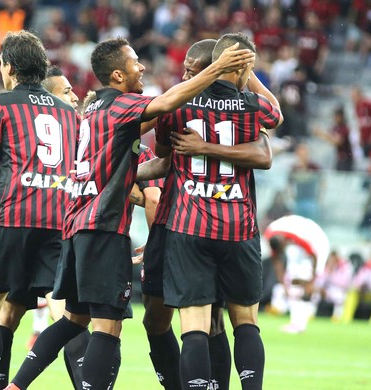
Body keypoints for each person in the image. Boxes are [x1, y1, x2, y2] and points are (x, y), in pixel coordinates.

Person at [9, 37, 255, 390]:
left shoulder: (94, 109)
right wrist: (218, 69)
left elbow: (123, 166)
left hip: (77, 226)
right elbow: (169, 102)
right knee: (108, 328)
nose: (142, 67)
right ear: (118, 76)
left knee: (72, 321)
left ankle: (15, 385)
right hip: (104, 228)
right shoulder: (122, 106)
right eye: (135, 62)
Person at [136, 38, 273, 390]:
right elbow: (276, 116)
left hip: (189, 225)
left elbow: (165, 156)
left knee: (194, 325)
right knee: (245, 323)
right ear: (241, 65)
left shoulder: (177, 107)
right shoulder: (253, 106)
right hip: (239, 227)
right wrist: (245, 73)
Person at [0, 31, 80, 390]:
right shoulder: (68, 113)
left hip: (12, 215)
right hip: (58, 220)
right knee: (67, 315)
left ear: (10, 66)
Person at [314, 250, 354, 322]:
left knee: (339, 297)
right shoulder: (326, 265)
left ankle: (336, 317)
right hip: (326, 289)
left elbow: (344, 283)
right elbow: (319, 281)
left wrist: (333, 273)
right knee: (315, 295)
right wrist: (322, 288)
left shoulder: (344, 266)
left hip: (339, 289)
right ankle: (311, 315)